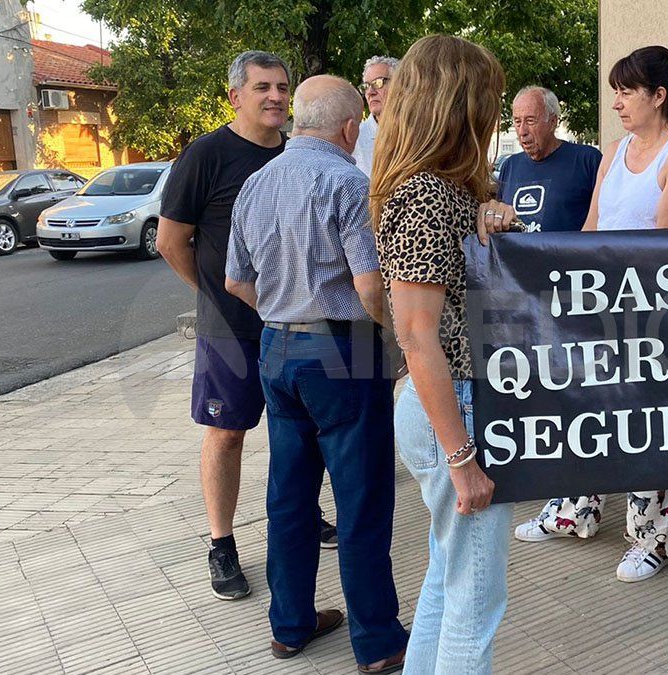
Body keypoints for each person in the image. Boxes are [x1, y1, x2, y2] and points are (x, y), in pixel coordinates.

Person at [224, 75, 408, 671]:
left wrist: (283, 315)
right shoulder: (348, 181)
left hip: (277, 346)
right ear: (350, 127)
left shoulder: (254, 184)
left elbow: (235, 281)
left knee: (290, 496)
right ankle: (377, 642)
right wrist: (396, 342)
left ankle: (291, 625)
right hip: (343, 351)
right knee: (361, 499)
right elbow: (369, 283)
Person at [513, 45, 668, 584]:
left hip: (652, 316)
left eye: (626, 91)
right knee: (584, 413)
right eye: (615, 91)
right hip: (598, 306)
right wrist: (558, 281)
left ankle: (652, 537)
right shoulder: (616, 151)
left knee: (648, 423)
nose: (617, 102)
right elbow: (591, 232)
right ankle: (576, 508)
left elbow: (661, 250)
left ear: (659, 96)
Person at [158, 51, 337, 602]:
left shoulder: (296, 154)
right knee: (228, 435)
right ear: (235, 96)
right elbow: (170, 241)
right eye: (263, 87)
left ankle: (304, 513)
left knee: (303, 431)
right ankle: (222, 544)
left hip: (296, 326)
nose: (276, 97)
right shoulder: (206, 156)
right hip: (230, 330)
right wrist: (216, 296)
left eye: (283, 88)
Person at [370, 34, 517, 674]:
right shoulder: (426, 194)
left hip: (445, 406)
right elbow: (415, 332)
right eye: (489, 100)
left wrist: (485, 214)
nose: (496, 115)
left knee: (449, 578)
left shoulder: (434, 189)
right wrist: (463, 461)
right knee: (475, 601)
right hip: (453, 411)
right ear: (458, 105)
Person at [496, 86, 601, 232]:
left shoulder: (587, 160)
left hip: (570, 255)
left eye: (530, 121)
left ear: (553, 122)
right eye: (517, 121)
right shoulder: (510, 165)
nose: (522, 131)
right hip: (517, 255)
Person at [353, 55, 399, 176]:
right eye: (366, 86)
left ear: (400, 85)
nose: (370, 92)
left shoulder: (422, 133)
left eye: (378, 83)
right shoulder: (354, 139)